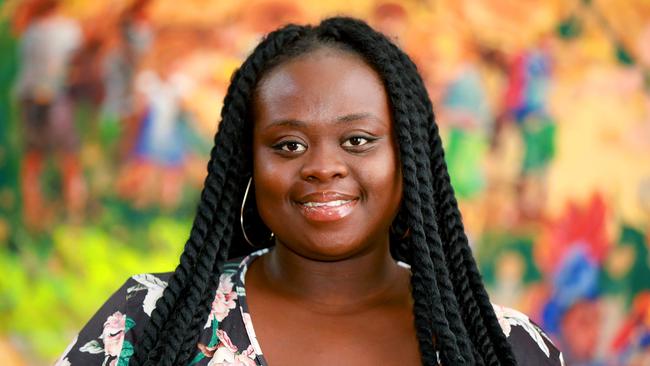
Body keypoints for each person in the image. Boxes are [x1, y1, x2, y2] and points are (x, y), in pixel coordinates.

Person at [56, 17, 564, 366]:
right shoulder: (147, 321)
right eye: (289, 143)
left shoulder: (503, 347)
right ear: (248, 165)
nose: (323, 167)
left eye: (358, 140)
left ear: (409, 158)